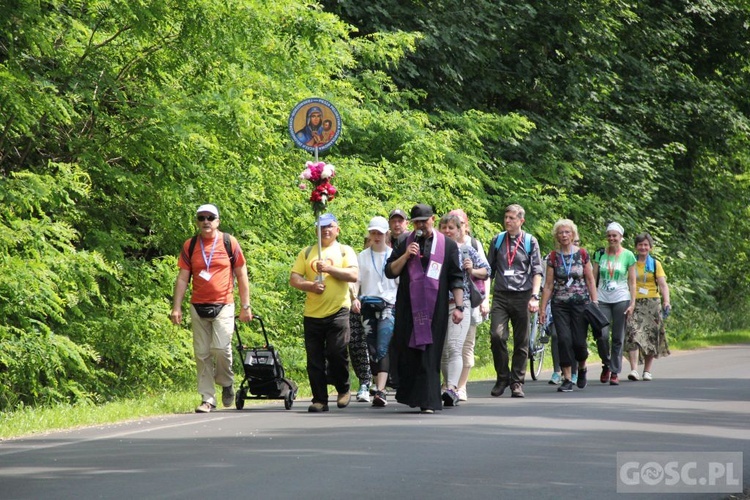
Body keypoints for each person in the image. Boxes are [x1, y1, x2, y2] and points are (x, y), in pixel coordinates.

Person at [170, 204, 252, 413]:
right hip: (198, 306)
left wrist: (245, 306)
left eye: (210, 217)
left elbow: (242, 274)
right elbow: (182, 278)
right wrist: (176, 307)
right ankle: (208, 399)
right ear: (197, 221)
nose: (206, 221)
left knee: (220, 348)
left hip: (224, 304)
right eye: (201, 218)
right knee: (202, 354)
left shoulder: (228, 242)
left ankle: (226, 382)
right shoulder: (190, 245)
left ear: (218, 221)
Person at [385, 204, 465, 414]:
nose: (421, 225)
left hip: (435, 308)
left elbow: (456, 278)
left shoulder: (447, 245)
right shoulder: (404, 241)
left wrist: (459, 307)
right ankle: (414, 396)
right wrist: (406, 256)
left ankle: (428, 401)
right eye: (417, 222)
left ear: (432, 219)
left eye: (424, 220)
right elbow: (390, 271)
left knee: (430, 353)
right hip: (408, 307)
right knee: (409, 352)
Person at [289, 213, 359, 412]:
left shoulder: (345, 251)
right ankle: (319, 399)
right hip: (312, 313)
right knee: (315, 359)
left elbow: (353, 275)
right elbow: (294, 278)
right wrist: (310, 286)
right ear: (316, 231)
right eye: (322, 227)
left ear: (337, 230)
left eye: (330, 227)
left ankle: (344, 389)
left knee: (337, 352)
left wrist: (330, 268)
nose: (326, 230)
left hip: (338, 310)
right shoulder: (307, 252)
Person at [487, 204, 544, 398]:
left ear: (521, 221)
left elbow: (537, 271)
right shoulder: (497, 240)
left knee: (522, 341)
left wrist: (535, 296)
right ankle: (502, 377)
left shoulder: (530, 241)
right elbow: (489, 271)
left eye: (512, 218)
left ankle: (517, 382)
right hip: (501, 295)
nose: (508, 221)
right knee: (496, 336)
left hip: (523, 295)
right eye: (506, 217)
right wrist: (485, 298)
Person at [539, 219, 598, 393]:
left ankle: (582, 367)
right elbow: (549, 285)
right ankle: (566, 378)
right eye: (561, 232)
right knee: (563, 340)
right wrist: (543, 308)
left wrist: (594, 302)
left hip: (581, 304)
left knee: (579, 342)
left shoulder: (582, 254)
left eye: (567, 232)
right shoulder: (553, 257)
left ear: (573, 235)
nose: (564, 235)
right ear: (556, 236)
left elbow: (590, 279)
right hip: (560, 304)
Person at [438, 213, 489, 406]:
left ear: (460, 230)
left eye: (452, 227)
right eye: (444, 227)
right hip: (439, 305)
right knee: (443, 351)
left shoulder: (467, 250)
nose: (447, 231)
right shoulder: (435, 251)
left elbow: (487, 271)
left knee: (455, 346)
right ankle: (446, 385)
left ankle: (453, 389)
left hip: (462, 304)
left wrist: (472, 270)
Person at [352, 216, 398, 407]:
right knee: (371, 348)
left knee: (383, 346)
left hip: (389, 304)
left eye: (380, 233)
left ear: (387, 234)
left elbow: (399, 282)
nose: (376, 236)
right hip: (368, 304)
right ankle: (371, 384)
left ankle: (381, 390)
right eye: (373, 233)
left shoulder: (394, 254)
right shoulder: (362, 256)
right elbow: (356, 281)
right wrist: (354, 297)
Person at [592, 222, 636, 386]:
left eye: (614, 235)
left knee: (618, 337)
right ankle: (606, 364)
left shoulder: (628, 255)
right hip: (602, 299)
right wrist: (593, 298)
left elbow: (632, 282)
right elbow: (593, 277)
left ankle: (615, 372)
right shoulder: (600, 254)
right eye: (609, 235)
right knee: (601, 335)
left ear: (621, 237)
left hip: (621, 299)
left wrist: (632, 303)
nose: (611, 238)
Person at [625, 232, 671, 381]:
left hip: (652, 302)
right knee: (633, 334)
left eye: (646, 245)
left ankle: (647, 370)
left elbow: (663, 285)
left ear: (650, 247)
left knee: (651, 336)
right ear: (636, 247)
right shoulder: (631, 262)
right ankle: (634, 370)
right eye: (640, 245)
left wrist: (666, 301)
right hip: (634, 302)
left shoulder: (655, 264)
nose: (643, 247)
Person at [348, 236, 372, 403]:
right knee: (357, 346)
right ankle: (364, 382)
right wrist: (354, 298)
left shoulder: (387, 258)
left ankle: (378, 383)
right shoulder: (358, 261)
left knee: (378, 347)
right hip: (358, 308)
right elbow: (353, 283)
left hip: (380, 308)